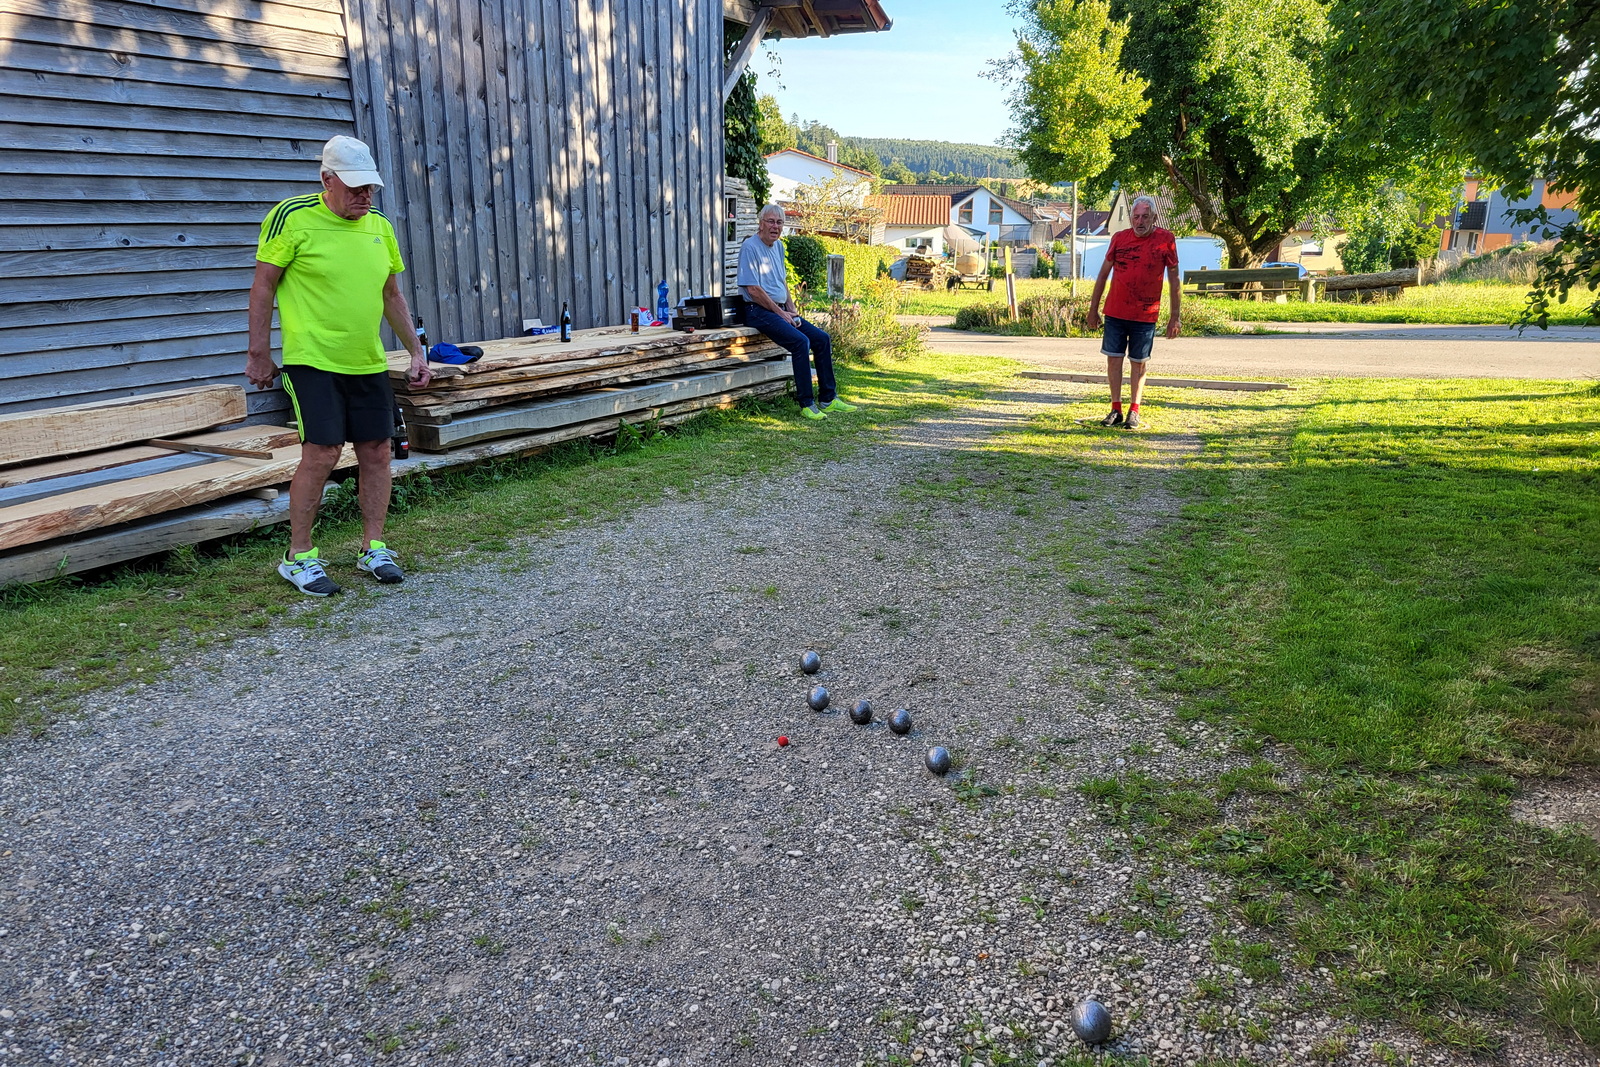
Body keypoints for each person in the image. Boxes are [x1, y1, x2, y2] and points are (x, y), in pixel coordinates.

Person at [246, 135, 431, 596]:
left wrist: (416, 351)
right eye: (354, 187)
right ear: (326, 179)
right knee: (323, 453)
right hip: (313, 359)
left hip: (365, 360)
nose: (364, 195)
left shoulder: (380, 226)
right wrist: (258, 353)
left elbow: (391, 295)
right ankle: (299, 557)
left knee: (377, 452)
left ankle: (374, 547)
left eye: (370, 187)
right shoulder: (291, 218)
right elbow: (263, 287)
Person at [737, 204, 857, 420]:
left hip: (779, 309)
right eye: (771, 221)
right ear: (761, 223)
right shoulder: (750, 247)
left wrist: (791, 309)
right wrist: (780, 313)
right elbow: (753, 290)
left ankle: (828, 399)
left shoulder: (779, 246)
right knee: (801, 342)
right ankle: (807, 403)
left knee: (822, 339)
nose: (775, 226)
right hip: (756, 310)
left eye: (779, 222)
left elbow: (781, 281)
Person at [1084, 194, 1181, 430]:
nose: (1140, 221)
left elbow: (1175, 278)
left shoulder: (1165, 240)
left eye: (1145, 217)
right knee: (1114, 359)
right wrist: (1093, 309)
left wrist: (1175, 317)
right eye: (1136, 217)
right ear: (1131, 218)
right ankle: (1115, 409)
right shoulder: (1119, 238)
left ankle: (1134, 410)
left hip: (1146, 313)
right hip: (1116, 311)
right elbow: (1103, 274)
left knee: (1139, 362)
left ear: (1154, 217)